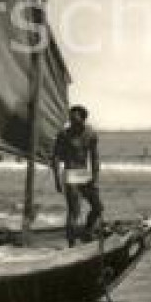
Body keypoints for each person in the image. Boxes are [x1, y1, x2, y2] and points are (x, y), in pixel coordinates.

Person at [50, 104, 103, 246]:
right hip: (70, 174)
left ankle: (87, 232)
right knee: (74, 211)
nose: (71, 122)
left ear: (83, 119)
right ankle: (71, 245)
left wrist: (96, 179)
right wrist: (56, 180)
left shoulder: (91, 134)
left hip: (84, 174)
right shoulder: (64, 134)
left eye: (75, 119)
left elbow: (95, 158)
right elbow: (54, 158)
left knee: (98, 207)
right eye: (70, 119)